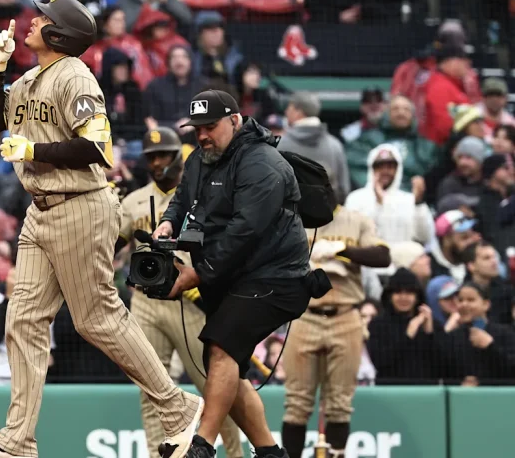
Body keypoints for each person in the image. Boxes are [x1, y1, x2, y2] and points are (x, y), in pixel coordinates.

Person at [0, 0, 203, 458]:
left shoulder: (75, 74)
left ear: (58, 35)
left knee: (96, 318)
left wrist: (34, 152)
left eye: (43, 18)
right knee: (24, 320)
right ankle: (16, 440)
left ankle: (177, 407)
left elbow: (96, 148)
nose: (32, 20)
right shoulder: (34, 75)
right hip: (40, 210)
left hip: (80, 203)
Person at [154, 89, 319, 458]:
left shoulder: (262, 163)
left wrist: (198, 273)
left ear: (235, 120)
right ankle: (270, 453)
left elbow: (246, 230)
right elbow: (182, 198)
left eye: (210, 126)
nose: (202, 135)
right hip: (233, 278)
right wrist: (167, 223)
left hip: (276, 277)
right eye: (196, 128)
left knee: (222, 346)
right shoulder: (201, 158)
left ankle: (201, 446)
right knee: (230, 366)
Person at [117, 127, 243, 458]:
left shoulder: (203, 195)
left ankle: (235, 453)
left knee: (212, 386)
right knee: (151, 389)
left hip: (191, 300)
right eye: (151, 157)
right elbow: (107, 249)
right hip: (145, 302)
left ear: (179, 157)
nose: (157, 162)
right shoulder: (131, 202)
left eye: (164, 155)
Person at [280, 201, 391, 458]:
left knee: (340, 404)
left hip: (345, 314)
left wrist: (342, 250)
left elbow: (383, 257)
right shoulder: (292, 220)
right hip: (305, 315)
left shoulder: (356, 220)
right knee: (296, 403)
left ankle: (337, 455)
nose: (319, 192)